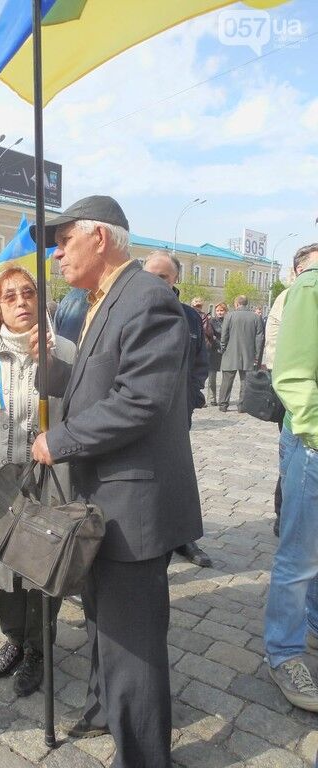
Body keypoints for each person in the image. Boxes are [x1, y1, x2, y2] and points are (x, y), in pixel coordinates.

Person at [29, 196, 202, 768]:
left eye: (63, 241)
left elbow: (140, 401)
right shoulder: (102, 300)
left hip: (134, 507)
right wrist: (53, 369)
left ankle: (145, 756)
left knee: (134, 647)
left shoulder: (148, 298)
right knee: (106, 627)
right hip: (104, 501)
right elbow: (99, 380)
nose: (54, 255)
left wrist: (61, 441)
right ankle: (106, 708)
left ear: (99, 239)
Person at [0, 266, 75, 697]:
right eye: (10, 297)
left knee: (43, 562)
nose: (22, 302)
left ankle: (40, 646)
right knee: (3, 562)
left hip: (49, 476)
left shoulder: (65, 349)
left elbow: (79, 413)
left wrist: (53, 363)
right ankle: (14, 639)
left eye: (29, 293)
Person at [264, 242, 318, 713]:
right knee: (299, 554)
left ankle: (314, 627)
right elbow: (293, 374)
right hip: (312, 442)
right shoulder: (311, 286)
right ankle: (284, 650)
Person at [143, 251, 211, 568]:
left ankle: (182, 536)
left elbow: (200, 362)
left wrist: (192, 394)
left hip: (178, 413)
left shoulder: (191, 317)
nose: (156, 282)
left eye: (163, 277)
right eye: (150, 275)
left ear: (175, 280)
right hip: (138, 414)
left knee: (177, 476)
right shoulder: (129, 311)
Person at [263, 245, 318, 537]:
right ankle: (284, 516)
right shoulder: (298, 292)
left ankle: (285, 516)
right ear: (300, 269)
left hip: (296, 392)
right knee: (292, 458)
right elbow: (288, 361)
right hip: (294, 394)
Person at [218, 295, 264, 412]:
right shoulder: (256, 317)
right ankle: (242, 406)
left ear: (237, 304)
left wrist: (223, 348)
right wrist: (257, 356)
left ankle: (223, 405)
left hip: (230, 352)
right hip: (248, 354)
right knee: (245, 381)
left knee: (226, 381)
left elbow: (224, 335)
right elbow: (260, 339)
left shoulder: (229, 316)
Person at [207, 302, 228, 406]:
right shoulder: (211, 321)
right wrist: (219, 343)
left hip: (225, 351)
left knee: (226, 376)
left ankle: (223, 398)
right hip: (214, 350)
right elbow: (211, 336)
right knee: (212, 376)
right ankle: (212, 398)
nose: (220, 312)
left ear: (225, 311)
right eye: (218, 310)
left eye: (222, 310)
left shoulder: (228, 321)